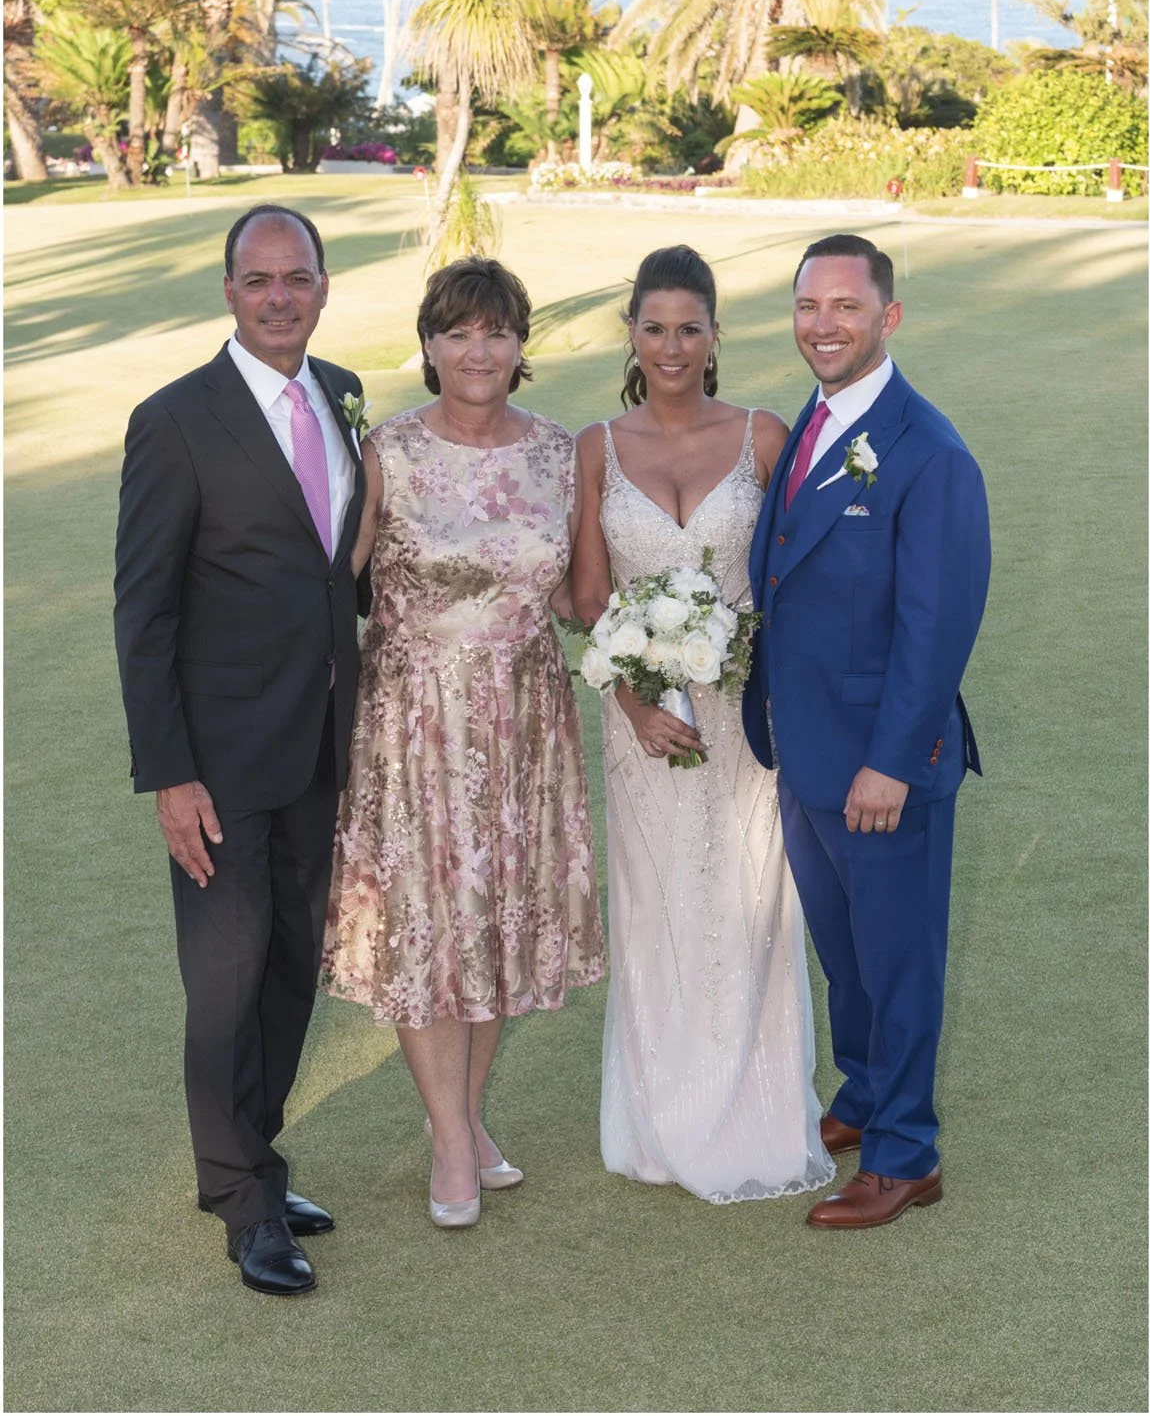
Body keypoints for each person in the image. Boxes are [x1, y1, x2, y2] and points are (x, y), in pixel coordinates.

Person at [322, 256, 605, 1228]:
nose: (478, 351)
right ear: (428, 346)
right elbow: (333, 589)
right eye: (458, 332)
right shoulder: (388, 453)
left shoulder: (558, 453)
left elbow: (570, 595)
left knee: (497, 928)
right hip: (414, 728)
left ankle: (468, 1117)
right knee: (428, 931)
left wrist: (667, 635)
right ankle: (450, 1140)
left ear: (522, 345)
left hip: (524, 724)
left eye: (496, 332)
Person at [115, 204, 366, 1296]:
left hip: (320, 744)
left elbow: (337, 568)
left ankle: (251, 1157)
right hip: (216, 762)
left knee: (290, 967)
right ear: (229, 291)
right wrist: (170, 773)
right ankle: (242, 1202)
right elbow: (144, 612)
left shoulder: (341, 392)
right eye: (258, 279)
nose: (279, 297)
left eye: (296, 277)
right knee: (225, 979)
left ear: (322, 286)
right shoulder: (174, 420)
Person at [572, 244, 835, 1204]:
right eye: (655, 328)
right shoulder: (597, 447)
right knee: (656, 910)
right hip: (642, 727)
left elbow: (804, 581)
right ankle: (662, 1123)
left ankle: (756, 1114)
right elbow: (588, 598)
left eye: (690, 328)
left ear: (717, 335)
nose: (672, 346)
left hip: (746, 721)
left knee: (751, 903)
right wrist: (635, 703)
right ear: (631, 335)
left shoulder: (765, 436)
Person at [741, 233, 991, 1230]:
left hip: (881, 765)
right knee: (845, 953)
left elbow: (938, 627)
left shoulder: (930, 451)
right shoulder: (814, 419)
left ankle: (904, 1153)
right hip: (805, 749)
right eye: (808, 306)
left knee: (896, 962)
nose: (823, 324)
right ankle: (865, 1091)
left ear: (888, 317)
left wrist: (890, 762)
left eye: (845, 306)